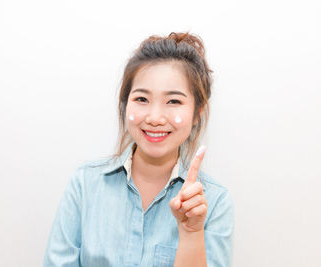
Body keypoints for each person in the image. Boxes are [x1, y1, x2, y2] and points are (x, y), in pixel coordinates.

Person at [43, 32, 234, 267]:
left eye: (174, 101)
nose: (155, 118)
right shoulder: (85, 184)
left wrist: (191, 233)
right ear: (125, 104)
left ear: (197, 113)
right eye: (142, 99)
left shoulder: (214, 202)